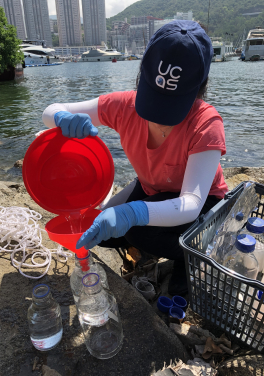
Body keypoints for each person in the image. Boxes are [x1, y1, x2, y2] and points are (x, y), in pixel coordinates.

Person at [42, 20, 228, 295]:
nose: (159, 118)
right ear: (143, 77)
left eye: (172, 106)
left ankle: (188, 257)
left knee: (137, 231)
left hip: (201, 203)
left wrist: (133, 213)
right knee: (98, 229)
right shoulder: (123, 106)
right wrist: (61, 118)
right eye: (154, 99)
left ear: (199, 89)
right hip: (152, 188)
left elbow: (190, 203)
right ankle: (156, 249)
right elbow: (50, 110)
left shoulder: (206, 123)